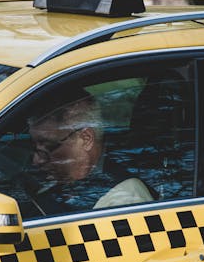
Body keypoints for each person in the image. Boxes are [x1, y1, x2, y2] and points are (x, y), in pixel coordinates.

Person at [27, 90, 155, 213]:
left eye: (48, 146)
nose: (36, 160)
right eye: (35, 147)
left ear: (86, 139)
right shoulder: (64, 183)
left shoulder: (125, 199)